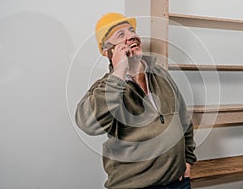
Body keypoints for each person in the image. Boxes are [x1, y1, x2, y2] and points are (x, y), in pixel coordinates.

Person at [75, 13, 196, 189]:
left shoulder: (161, 75)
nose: (131, 36)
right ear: (107, 51)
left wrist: (188, 159)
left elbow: (184, 120)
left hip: (178, 182)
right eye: (121, 35)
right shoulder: (105, 88)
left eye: (131, 31)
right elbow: (88, 124)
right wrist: (119, 73)